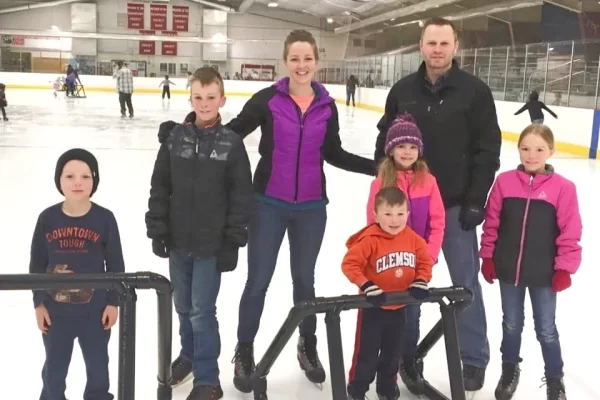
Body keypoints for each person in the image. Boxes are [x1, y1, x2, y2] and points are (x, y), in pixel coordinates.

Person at [156, 30, 375, 396]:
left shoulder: (327, 106)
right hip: (268, 205)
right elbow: (229, 133)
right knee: (258, 281)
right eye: (295, 59)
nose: (301, 65)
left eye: (308, 59)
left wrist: (376, 166)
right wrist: (186, 130)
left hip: (310, 208)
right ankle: (245, 350)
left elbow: (333, 152)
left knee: (304, 281)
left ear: (316, 62)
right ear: (285, 61)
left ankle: (308, 344)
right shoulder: (268, 100)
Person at [373, 17, 501, 392]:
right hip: (407, 209)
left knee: (464, 284)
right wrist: (386, 193)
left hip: (457, 207)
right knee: (405, 281)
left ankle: (474, 357)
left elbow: (487, 149)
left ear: (456, 46)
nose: (438, 49)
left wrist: (476, 200)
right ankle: (406, 356)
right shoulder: (403, 90)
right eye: (432, 43)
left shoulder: (474, 92)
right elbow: (385, 141)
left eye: (445, 43)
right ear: (421, 45)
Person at [145, 67, 254, 400]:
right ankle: (189, 356)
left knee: (202, 311)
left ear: (222, 99)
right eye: (198, 97)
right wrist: (157, 229)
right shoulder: (174, 139)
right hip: (178, 242)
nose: (204, 103)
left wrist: (233, 242)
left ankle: (208, 379)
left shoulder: (231, 144)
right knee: (181, 306)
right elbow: (160, 186)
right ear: (190, 98)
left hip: (210, 245)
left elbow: (241, 196)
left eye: (211, 97)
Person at [479, 124, 581, 400]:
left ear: (551, 150)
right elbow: (492, 223)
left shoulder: (564, 189)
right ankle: (509, 371)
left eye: (539, 149)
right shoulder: (504, 182)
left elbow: (570, 232)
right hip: (509, 268)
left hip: (545, 272)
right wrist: (487, 255)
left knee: (546, 328)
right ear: (518, 149)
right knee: (511, 323)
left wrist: (564, 268)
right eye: (525, 148)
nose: (531, 155)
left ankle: (555, 380)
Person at [29, 148, 123, 400]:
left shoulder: (105, 219)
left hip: (95, 311)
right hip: (56, 312)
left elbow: (115, 264)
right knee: (55, 369)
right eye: (69, 176)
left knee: (98, 368)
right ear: (59, 180)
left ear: (95, 181)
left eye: (85, 176)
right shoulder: (47, 219)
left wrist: (113, 303)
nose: (78, 182)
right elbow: (37, 266)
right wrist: (39, 303)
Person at [367, 113, 445, 396]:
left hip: (417, 264)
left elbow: (437, 221)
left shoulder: (429, 181)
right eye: (402, 147)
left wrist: (429, 256)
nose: (407, 152)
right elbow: (373, 222)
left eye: (412, 147)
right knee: (388, 316)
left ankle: (408, 361)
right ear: (391, 149)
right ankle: (384, 365)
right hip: (389, 263)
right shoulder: (382, 181)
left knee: (412, 314)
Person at [343, 186, 433, 400]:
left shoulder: (413, 239)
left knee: (393, 354)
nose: (395, 220)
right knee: (367, 354)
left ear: (407, 214)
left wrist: (421, 280)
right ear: (375, 215)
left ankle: (386, 390)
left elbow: (424, 262)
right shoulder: (370, 239)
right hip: (372, 309)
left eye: (400, 214)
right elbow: (350, 264)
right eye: (388, 214)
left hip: (400, 307)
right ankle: (357, 390)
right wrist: (366, 285)